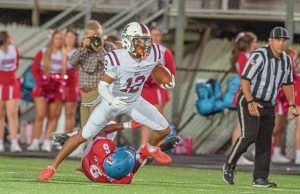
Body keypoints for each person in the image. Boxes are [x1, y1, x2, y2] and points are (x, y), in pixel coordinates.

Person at [37, 22, 175, 182]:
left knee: (164, 130)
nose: (143, 45)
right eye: (138, 41)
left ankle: (150, 148)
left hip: (134, 101)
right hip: (111, 102)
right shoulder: (117, 58)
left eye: (145, 41)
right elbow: (102, 86)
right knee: (85, 134)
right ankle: (52, 167)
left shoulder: (154, 52)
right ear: (129, 41)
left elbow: (157, 66)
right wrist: (111, 99)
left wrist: (168, 78)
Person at [223, 27, 298, 188]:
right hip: (249, 98)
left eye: (284, 40)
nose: (281, 43)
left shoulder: (286, 59)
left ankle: (260, 178)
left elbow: (287, 83)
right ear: (270, 41)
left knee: (265, 141)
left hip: (268, 103)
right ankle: (229, 165)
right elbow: (245, 80)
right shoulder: (259, 55)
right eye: (278, 39)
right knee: (249, 135)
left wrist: (292, 104)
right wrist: (250, 101)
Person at [47, 121, 179, 184]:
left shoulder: (102, 148)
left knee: (105, 124)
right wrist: (156, 151)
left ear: (112, 154)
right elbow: (138, 165)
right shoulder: (123, 178)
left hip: (90, 159)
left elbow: (102, 130)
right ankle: (159, 149)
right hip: (98, 171)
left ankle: (69, 137)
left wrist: (127, 125)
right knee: (143, 157)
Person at [69, 20, 116, 128]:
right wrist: (83, 48)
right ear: (86, 36)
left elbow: (113, 66)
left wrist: (100, 50)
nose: (95, 39)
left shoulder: (109, 47)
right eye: (91, 37)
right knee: (86, 129)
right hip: (84, 95)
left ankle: (104, 145)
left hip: (100, 94)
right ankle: (90, 145)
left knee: (99, 127)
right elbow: (71, 63)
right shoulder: (83, 49)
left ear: (102, 34)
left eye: (97, 36)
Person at [27, 30, 66, 152]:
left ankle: (47, 142)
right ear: (52, 39)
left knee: (53, 116)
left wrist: (59, 83)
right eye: (56, 38)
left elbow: (68, 72)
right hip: (42, 87)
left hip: (57, 88)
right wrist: (41, 82)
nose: (58, 41)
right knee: (40, 115)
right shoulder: (43, 52)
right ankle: (34, 141)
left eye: (60, 39)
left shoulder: (65, 55)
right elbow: (34, 69)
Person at [140, 26, 176, 146]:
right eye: (152, 35)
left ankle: (156, 145)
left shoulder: (165, 51)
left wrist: (163, 79)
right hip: (144, 88)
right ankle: (144, 144)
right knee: (145, 117)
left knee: (157, 117)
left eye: (158, 35)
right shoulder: (141, 50)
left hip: (158, 88)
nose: (155, 37)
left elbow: (171, 71)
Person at [229, 31, 257, 165]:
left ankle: (240, 154)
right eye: (254, 42)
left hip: (248, 93)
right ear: (248, 44)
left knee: (244, 125)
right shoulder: (244, 57)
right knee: (241, 125)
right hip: (246, 93)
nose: (256, 45)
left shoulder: (246, 56)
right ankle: (236, 156)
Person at [0, 31, 22, 152]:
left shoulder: (14, 50)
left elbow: (16, 64)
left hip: (12, 82)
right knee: (0, 114)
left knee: (12, 113)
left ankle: (14, 142)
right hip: (0, 83)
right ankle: (0, 142)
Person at [62, 28, 80, 134]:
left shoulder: (78, 51)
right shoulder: (58, 50)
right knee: (54, 113)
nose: (69, 39)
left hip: (72, 82)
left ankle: (65, 138)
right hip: (58, 82)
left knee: (70, 113)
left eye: (72, 37)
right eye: (67, 36)